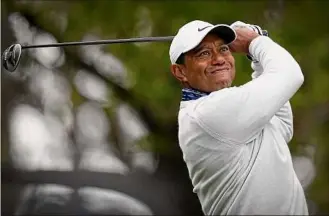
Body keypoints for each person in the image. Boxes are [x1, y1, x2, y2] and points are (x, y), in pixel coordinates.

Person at [169, 20, 308, 215]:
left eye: (224, 49)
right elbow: (290, 75)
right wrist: (255, 41)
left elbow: (282, 126)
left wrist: (257, 54)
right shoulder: (206, 112)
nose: (219, 59)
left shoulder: (226, 109)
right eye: (204, 53)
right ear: (180, 71)